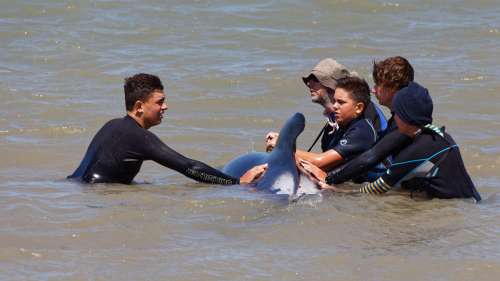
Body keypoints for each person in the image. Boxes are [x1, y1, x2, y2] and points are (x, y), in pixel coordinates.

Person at [68, 73, 265, 184]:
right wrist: (236, 183)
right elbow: (190, 168)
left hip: (77, 189)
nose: (165, 107)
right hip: (97, 196)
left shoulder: (111, 126)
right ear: (139, 107)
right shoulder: (138, 136)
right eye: (160, 102)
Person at [307, 82, 481, 201]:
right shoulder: (437, 136)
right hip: (470, 202)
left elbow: (375, 190)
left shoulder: (416, 150)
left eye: (395, 113)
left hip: (456, 207)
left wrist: (334, 189)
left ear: (404, 116)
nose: (393, 118)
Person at [266, 58, 386, 172]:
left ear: (332, 86)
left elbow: (320, 162)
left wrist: (282, 145)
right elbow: (326, 164)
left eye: (315, 79)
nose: (309, 83)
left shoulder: (363, 121)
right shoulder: (333, 124)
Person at [323, 56, 416, 184]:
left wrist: (329, 178)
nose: (373, 90)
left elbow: (371, 158)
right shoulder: (401, 117)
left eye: (378, 85)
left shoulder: (405, 124)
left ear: (392, 88)